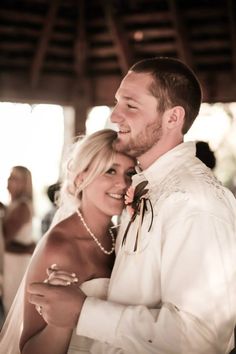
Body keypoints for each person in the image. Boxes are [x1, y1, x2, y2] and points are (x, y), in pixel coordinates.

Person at [28, 57, 236, 353]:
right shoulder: (145, 188)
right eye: (116, 103)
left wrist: (82, 312)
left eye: (131, 105)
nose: (114, 115)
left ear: (173, 118)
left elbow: (200, 338)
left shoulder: (195, 201)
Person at [0, 129, 135, 354]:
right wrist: (59, 321)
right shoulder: (59, 248)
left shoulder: (121, 236)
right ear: (82, 177)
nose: (123, 183)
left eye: (130, 173)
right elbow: (29, 350)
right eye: (110, 171)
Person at [2, 165, 35, 315]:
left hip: (15, 263)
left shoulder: (21, 207)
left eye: (14, 178)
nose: (9, 181)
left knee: (11, 306)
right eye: (9, 177)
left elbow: (5, 239)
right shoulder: (13, 205)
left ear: (24, 183)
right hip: (11, 261)